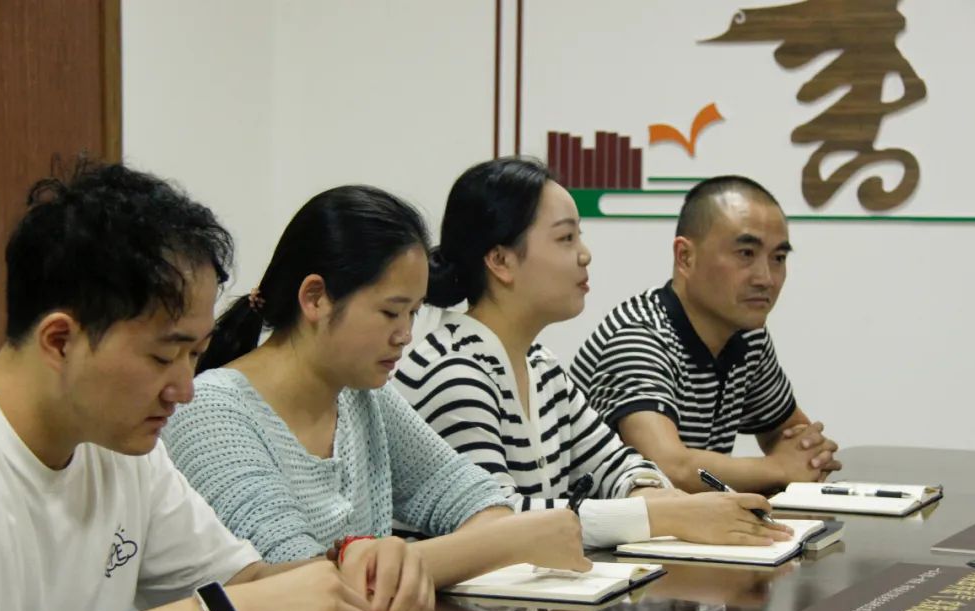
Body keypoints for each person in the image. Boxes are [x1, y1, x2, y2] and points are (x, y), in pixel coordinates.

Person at [0, 162, 439, 611]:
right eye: (164, 356)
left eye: (195, 354)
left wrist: (354, 567)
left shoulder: (122, 448)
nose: (185, 390)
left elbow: (246, 581)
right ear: (60, 341)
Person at [163, 184, 590, 589]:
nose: (405, 335)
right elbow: (298, 585)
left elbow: (479, 501)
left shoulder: (363, 397)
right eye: (390, 313)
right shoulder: (210, 414)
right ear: (316, 298)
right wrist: (508, 543)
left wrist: (495, 539)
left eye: (413, 313)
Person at [394, 158, 792, 549]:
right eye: (566, 238)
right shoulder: (454, 371)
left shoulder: (542, 367)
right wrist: (666, 515)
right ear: (501, 261)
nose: (585, 254)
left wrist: (660, 500)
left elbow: (619, 466)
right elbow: (496, 525)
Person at [569, 175, 840, 494]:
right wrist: (779, 469)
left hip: (685, 522)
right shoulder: (639, 336)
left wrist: (805, 457)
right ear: (685, 257)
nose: (766, 278)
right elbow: (666, 468)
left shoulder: (748, 335)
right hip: (589, 525)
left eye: (778, 258)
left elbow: (792, 435)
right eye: (746, 254)